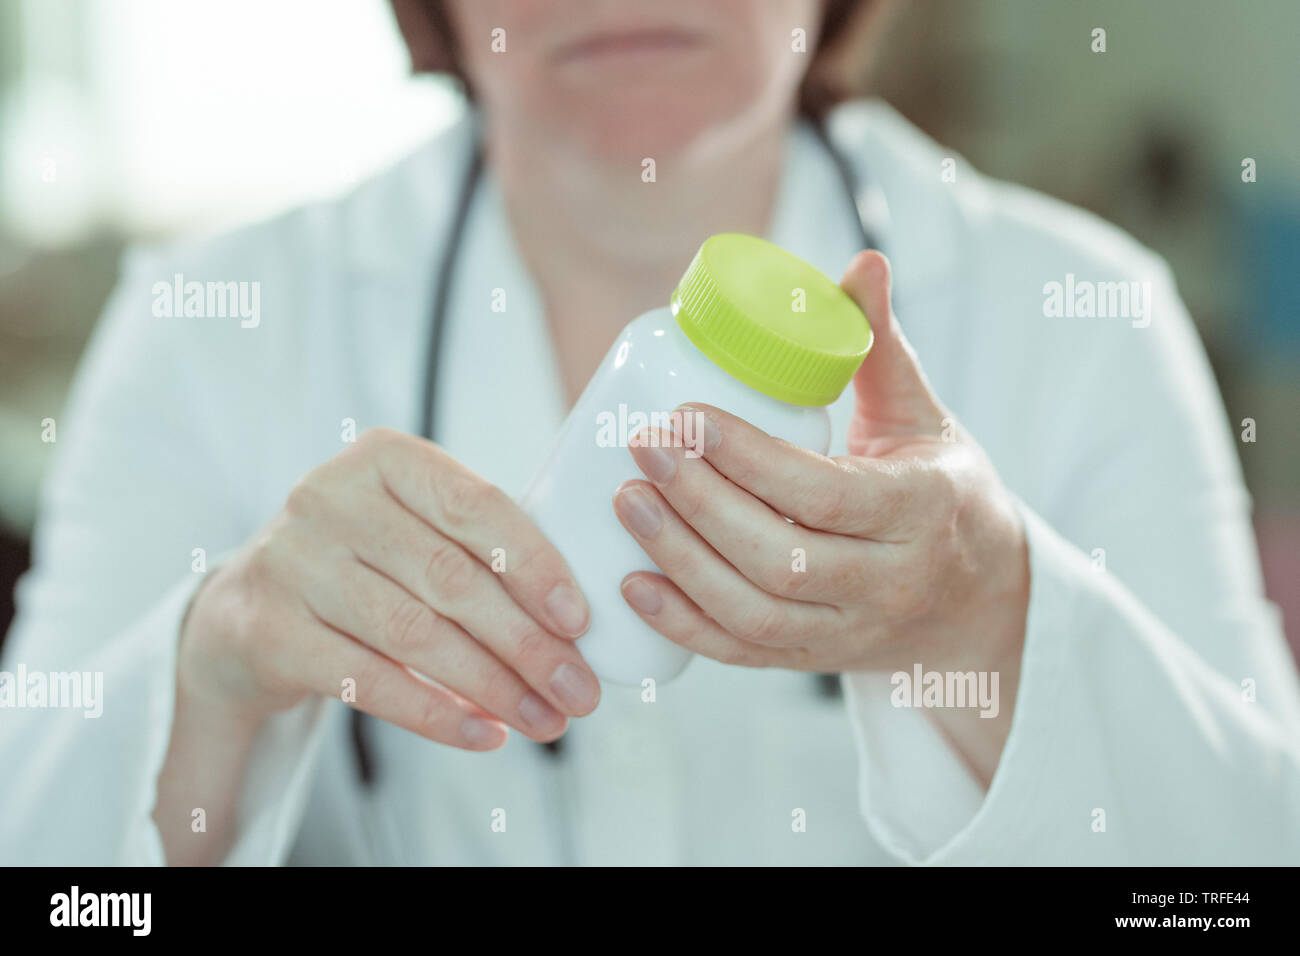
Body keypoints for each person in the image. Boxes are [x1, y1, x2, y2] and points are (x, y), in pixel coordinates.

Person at [2, 0, 1297, 866]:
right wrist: (214, 674)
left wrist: (996, 619)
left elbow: (1232, 885)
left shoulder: (1083, 318)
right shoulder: (205, 327)